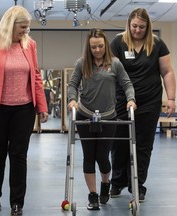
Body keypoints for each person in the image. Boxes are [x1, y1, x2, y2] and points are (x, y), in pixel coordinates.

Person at [0, 6, 48, 216]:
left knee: (19, 155)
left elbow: (36, 77)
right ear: (10, 24)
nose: (26, 32)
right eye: (23, 27)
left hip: (24, 109)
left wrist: (42, 106)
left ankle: (17, 203)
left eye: (28, 28)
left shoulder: (30, 44)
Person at [110, 8, 176, 202]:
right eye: (134, 26)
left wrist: (171, 99)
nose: (137, 30)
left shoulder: (157, 44)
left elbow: (167, 72)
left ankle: (137, 185)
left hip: (149, 102)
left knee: (143, 145)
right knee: (119, 143)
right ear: (128, 25)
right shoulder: (118, 42)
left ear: (148, 27)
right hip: (122, 101)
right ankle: (117, 182)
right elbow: (111, 72)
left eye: (142, 27)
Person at [67, 28, 137, 211]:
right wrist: (72, 99)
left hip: (108, 117)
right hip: (85, 116)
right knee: (89, 156)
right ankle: (93, 195)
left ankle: (106, 183)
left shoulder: (115, 64)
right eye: (93, 47)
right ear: (88, 47)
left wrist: (131, 99)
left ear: (105, 45)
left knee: (103, 157)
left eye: (100, 46)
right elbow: (73, 84)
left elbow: (127, 83)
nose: (97, 50)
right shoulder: (82, 64)